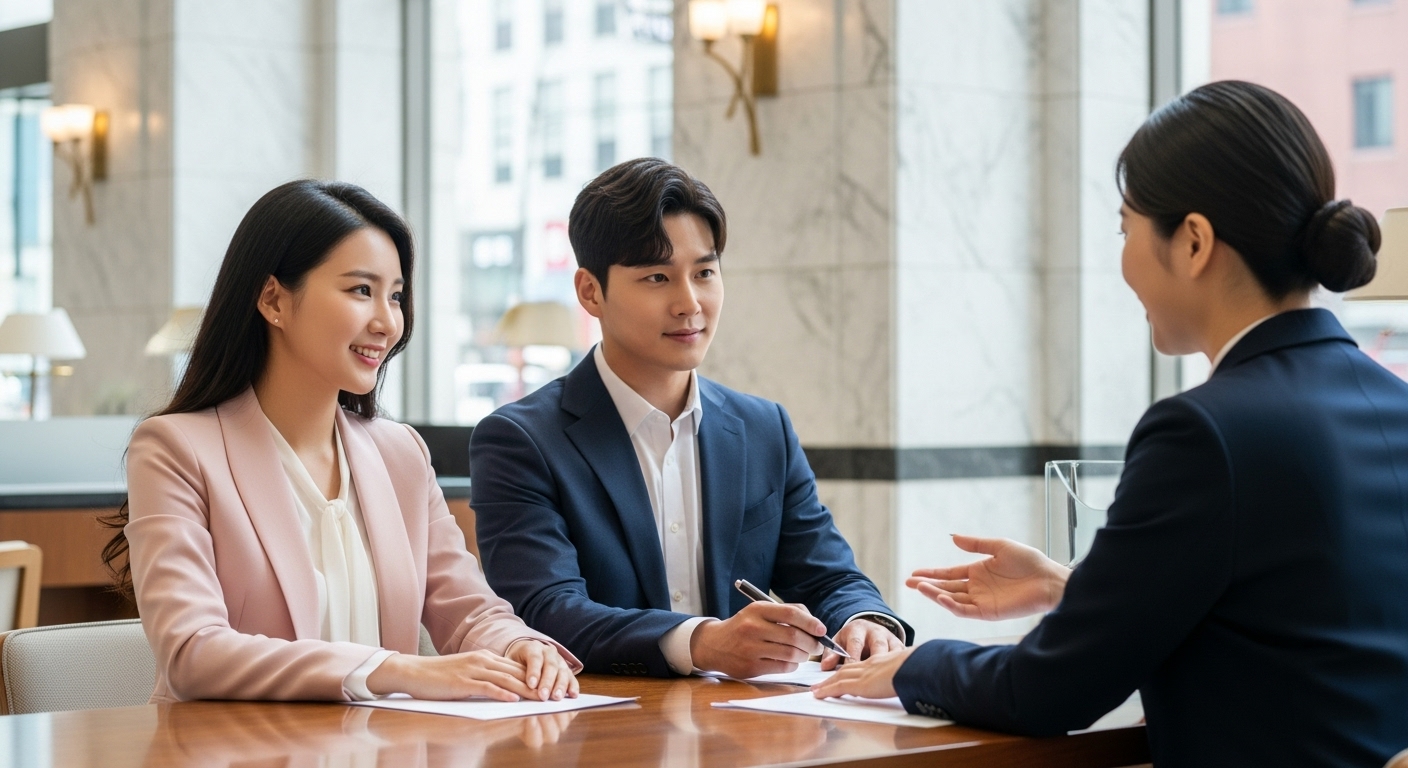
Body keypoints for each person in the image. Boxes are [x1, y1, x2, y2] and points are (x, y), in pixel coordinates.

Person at [812, 80, 1408, 766]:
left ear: (1192, 242)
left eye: (1126, 230)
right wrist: (1079, 589)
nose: (1122, 261)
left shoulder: (1204, 432)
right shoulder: (1393, 403)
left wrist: (915, 666)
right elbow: (1308, 619)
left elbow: (1049, 691)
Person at [104, 180, 581, 704]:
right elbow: (192, 652)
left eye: (395, 296)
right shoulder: (174, 449)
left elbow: (468, 609)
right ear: (273, 300)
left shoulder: (401, 454)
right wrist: (395, 671)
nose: (387, 322)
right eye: (361, 290)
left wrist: (518, 646)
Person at [470, 158, 911, 679]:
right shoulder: (520, 439)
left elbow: (830, 576)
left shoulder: (763, 428)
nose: (689, 303)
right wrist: (701, 643)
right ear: (591, 292)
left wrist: (863, 620)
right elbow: (546, 611)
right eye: (657, 277)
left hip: (744, 732)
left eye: (704, 273)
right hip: (594, 731)